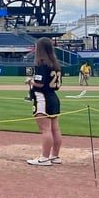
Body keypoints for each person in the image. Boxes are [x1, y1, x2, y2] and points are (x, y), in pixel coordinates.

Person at [26, 37, 63, 166]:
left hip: (43, 98)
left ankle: (45, 158)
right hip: (53, 97)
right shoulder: (55, 64)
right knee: (55, 130)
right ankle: (55, 156)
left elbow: (39, 84)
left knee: (46, 130)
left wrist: (30, 81)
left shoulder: (42, 64)